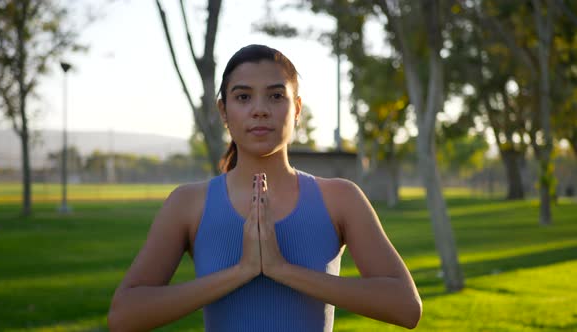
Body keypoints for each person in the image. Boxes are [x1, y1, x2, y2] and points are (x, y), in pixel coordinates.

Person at [107, 44, 422, 332]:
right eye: (243, 97)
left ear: (297, 109)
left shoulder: (340, 198)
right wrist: (241, 271)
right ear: (223, 111)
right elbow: (124, 315)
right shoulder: (188, 204)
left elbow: (405, 307)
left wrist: (281, 269)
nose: (260, 109)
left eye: (275, 96)